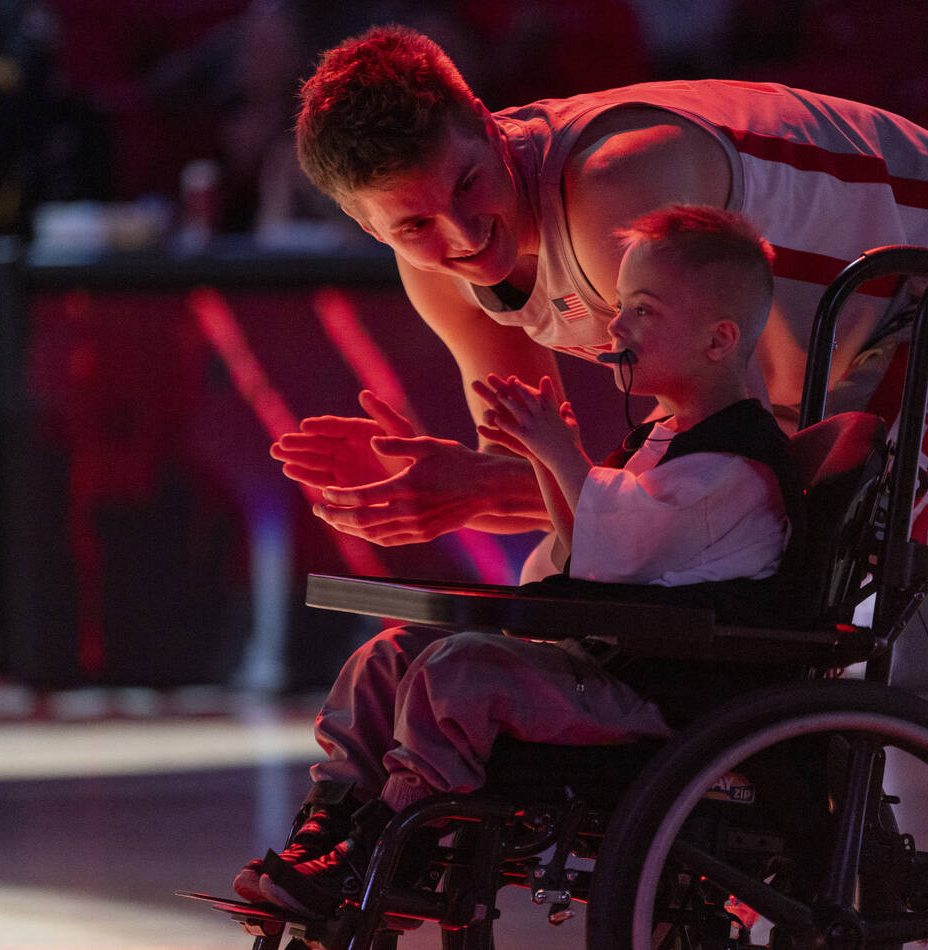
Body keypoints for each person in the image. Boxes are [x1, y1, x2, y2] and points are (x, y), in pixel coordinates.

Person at [271, 24, 928, 603]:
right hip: (829, 344)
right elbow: (564, 493)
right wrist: (444, 485)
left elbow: (732, 468)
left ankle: (805, 814)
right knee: (581, 574)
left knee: (811, 553)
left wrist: (476, 489)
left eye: (467, 185)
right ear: (369, 231)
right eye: (414, 226)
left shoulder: (614, 191)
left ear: (491, 129)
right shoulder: (443, 280)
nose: (462, 235)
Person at [235, 204, 794, 915]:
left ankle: (392, 849)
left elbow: (612, 560)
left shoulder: (731, 466)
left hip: (666, 696)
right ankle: (332, 820)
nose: (617, 329)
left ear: (720, 341)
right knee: (388, 657)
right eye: (622, 307)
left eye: (643, 312)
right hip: (610, 664)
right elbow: (587, 550)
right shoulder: (663, 441)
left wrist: (560, 456)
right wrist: (548, 461)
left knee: (460, 673)